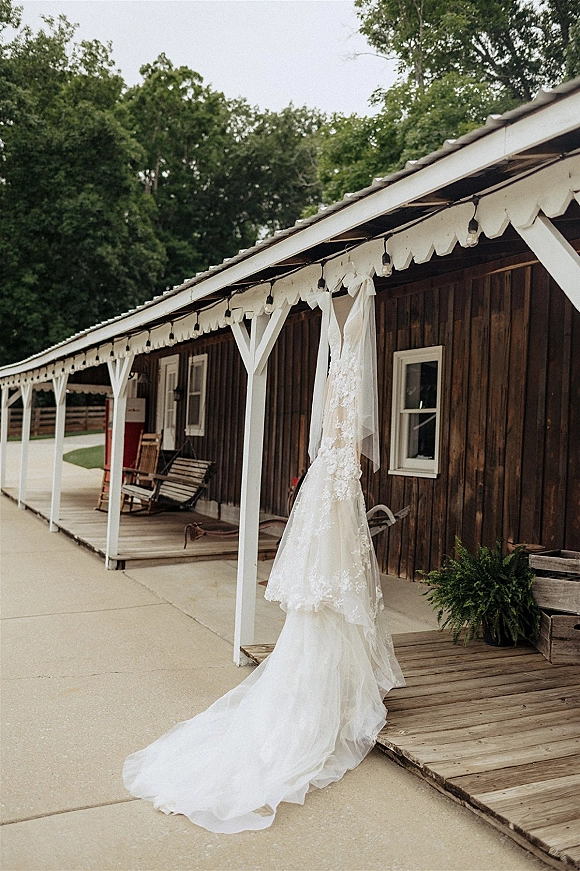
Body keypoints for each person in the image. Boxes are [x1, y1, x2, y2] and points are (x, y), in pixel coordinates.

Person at [123, 266, 405, 833]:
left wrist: (339, 473)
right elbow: (351, 431)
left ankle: (338, 690)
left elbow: (336, 429)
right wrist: (343, 475)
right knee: (332, 590)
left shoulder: (337, 333)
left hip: (331, 483)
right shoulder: (349, 337)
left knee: (331, 593)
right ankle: (331, 699)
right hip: (334, 486)